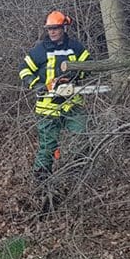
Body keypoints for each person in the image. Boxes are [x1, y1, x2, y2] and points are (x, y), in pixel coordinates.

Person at [17, 10, 92, 184]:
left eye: (55, 28)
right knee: (47, 146)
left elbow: (89, 66)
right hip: (48, 107)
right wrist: (36, 84)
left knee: (81, 138)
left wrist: (75, 75)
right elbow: (23, 69)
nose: (52, 32)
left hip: (72, 103)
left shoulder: (75, 47)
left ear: (63, 28)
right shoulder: (40, 50)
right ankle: (41, 183)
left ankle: (77, 178)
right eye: (49, 29)